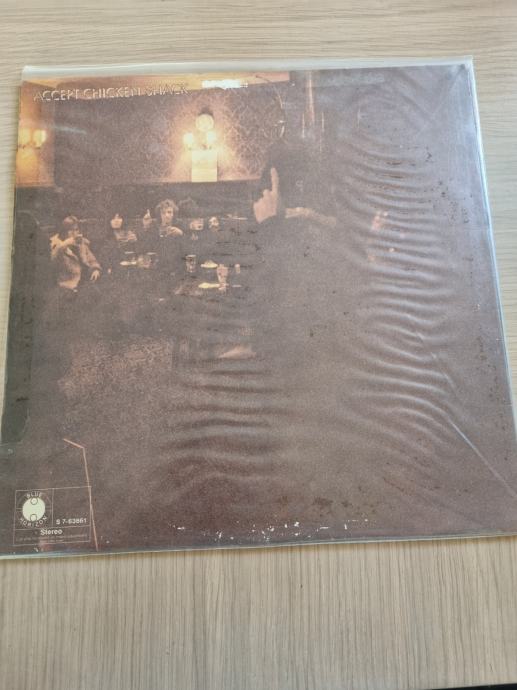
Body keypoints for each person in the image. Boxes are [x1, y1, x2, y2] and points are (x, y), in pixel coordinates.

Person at [50, 216, 101, 292]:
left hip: (85, 281)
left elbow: (92, 259)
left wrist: (95, 269)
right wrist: (63, 245)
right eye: (70, 230)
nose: (74, 233)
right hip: (68, 285)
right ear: (64, 231)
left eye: (76, 229)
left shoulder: (80, 242)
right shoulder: (55, 245)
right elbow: (51, 261)